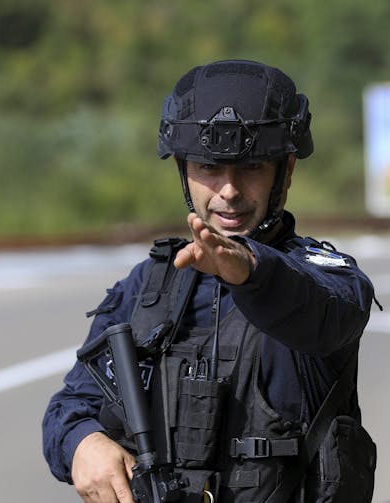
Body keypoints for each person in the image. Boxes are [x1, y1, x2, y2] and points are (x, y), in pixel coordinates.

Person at [42, 59, 379, 503]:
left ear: (287, 169)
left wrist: (252, 272)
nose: (229, 190)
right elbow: (71, 406)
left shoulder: (324, 278)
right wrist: (83, 443)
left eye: (252, 167)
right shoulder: (148, 286)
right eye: (208, 167)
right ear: (183, 168)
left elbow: (323, 316)